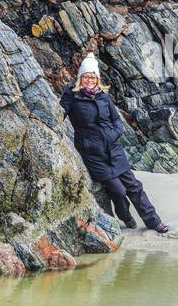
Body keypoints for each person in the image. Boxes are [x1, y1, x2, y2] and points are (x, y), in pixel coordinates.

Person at [60, 54, 169, 233]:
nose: (89, 80)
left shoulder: (103, 97)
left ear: (97, 79)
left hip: (113, 149)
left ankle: (154, 222)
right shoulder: (72, 96)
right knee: (118, 191)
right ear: (81, 77)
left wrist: (115, 133)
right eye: (86, 76)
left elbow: (116, 120)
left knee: (134, 186)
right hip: (92, 152)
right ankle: (125, 216)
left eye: (93, 77)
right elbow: (60, 113)